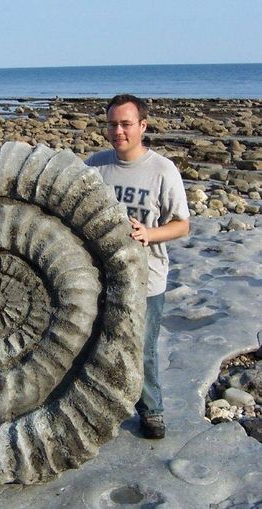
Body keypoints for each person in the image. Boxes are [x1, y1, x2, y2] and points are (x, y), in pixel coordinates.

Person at [86, 94, 189, 439]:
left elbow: (182, 225)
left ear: (142, 126)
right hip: (100, 280)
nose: (118, 131)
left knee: (142, 350)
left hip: (148, 281)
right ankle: (101, 407)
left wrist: (149, 233)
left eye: (126, 124)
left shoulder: (162, 170)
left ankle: (152, 412)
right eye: (113, 124)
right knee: (96, 346)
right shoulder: (95, 166)